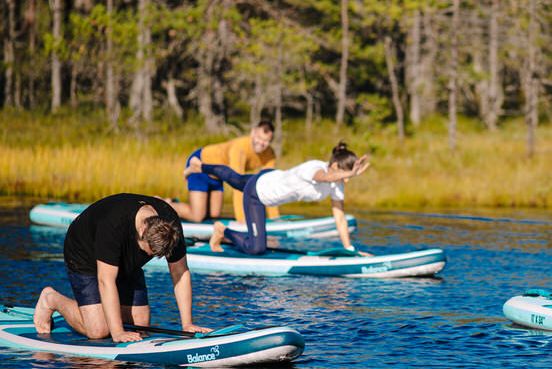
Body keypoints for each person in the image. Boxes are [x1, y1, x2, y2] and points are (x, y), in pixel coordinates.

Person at [33, 194, 211, 343]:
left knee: (141, 326)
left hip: (125, 260)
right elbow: (105, 280)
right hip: (84, 252)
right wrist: (117, 332)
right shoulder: (113, 224)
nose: (150, 256)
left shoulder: (170, 227)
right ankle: (51, 299)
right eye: (147, 252)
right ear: (143, 229)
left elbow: (180, 272)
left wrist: (187, 323)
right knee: (99, 330)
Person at [183, 142, 370, 256]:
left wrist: (349, 249)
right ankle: (223, 231)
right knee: (256, 248)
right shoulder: (314, 167)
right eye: (346, 174)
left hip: (270, 177)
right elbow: (323, 177)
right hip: (258, 193)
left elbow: (339, 217)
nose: (347, 179)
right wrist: (351, 174)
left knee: (235, 178)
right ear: (335, 165)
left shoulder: (337, 184)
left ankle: (200, 166)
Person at [169, 120, 277, 223]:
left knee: (214, 215)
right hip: (199, 164)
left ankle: (176, 203)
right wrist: (242, 219)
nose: (262, 143)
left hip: (217, 176)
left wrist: (274, 219)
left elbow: (269, 184)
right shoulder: (239, 148)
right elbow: (238, 183)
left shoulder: (269, 154)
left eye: (266, 141)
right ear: (253, 133)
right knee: (198, 216)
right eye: (259, 138)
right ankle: (163, 204)